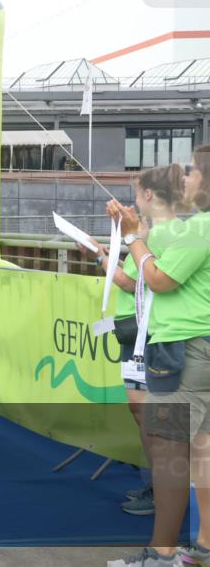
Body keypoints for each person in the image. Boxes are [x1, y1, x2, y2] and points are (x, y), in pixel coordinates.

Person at [106, 149, 210, 567]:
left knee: (171, 455)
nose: (186, 178)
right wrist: (134, 231)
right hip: (193, 347)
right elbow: (154, 255)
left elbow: (158, 280)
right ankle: (201, 547)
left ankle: (162, 554)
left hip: (184, 348)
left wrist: (132, 237)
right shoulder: (192, 228)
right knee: (202, 451)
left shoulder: (200, 229)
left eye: (194, 171)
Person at [78, 165, 185, 516]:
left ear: (150, 195)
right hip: (137, 334)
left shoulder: (164, 234)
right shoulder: (144, 232)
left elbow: (151, 280)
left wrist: (128, 237)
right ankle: (157, 486)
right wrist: (99, 253)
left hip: (156, 335)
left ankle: (167, 493)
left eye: (137, 192)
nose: (133, 199)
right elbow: (131, 280)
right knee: (142, 414)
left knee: (157, 419)